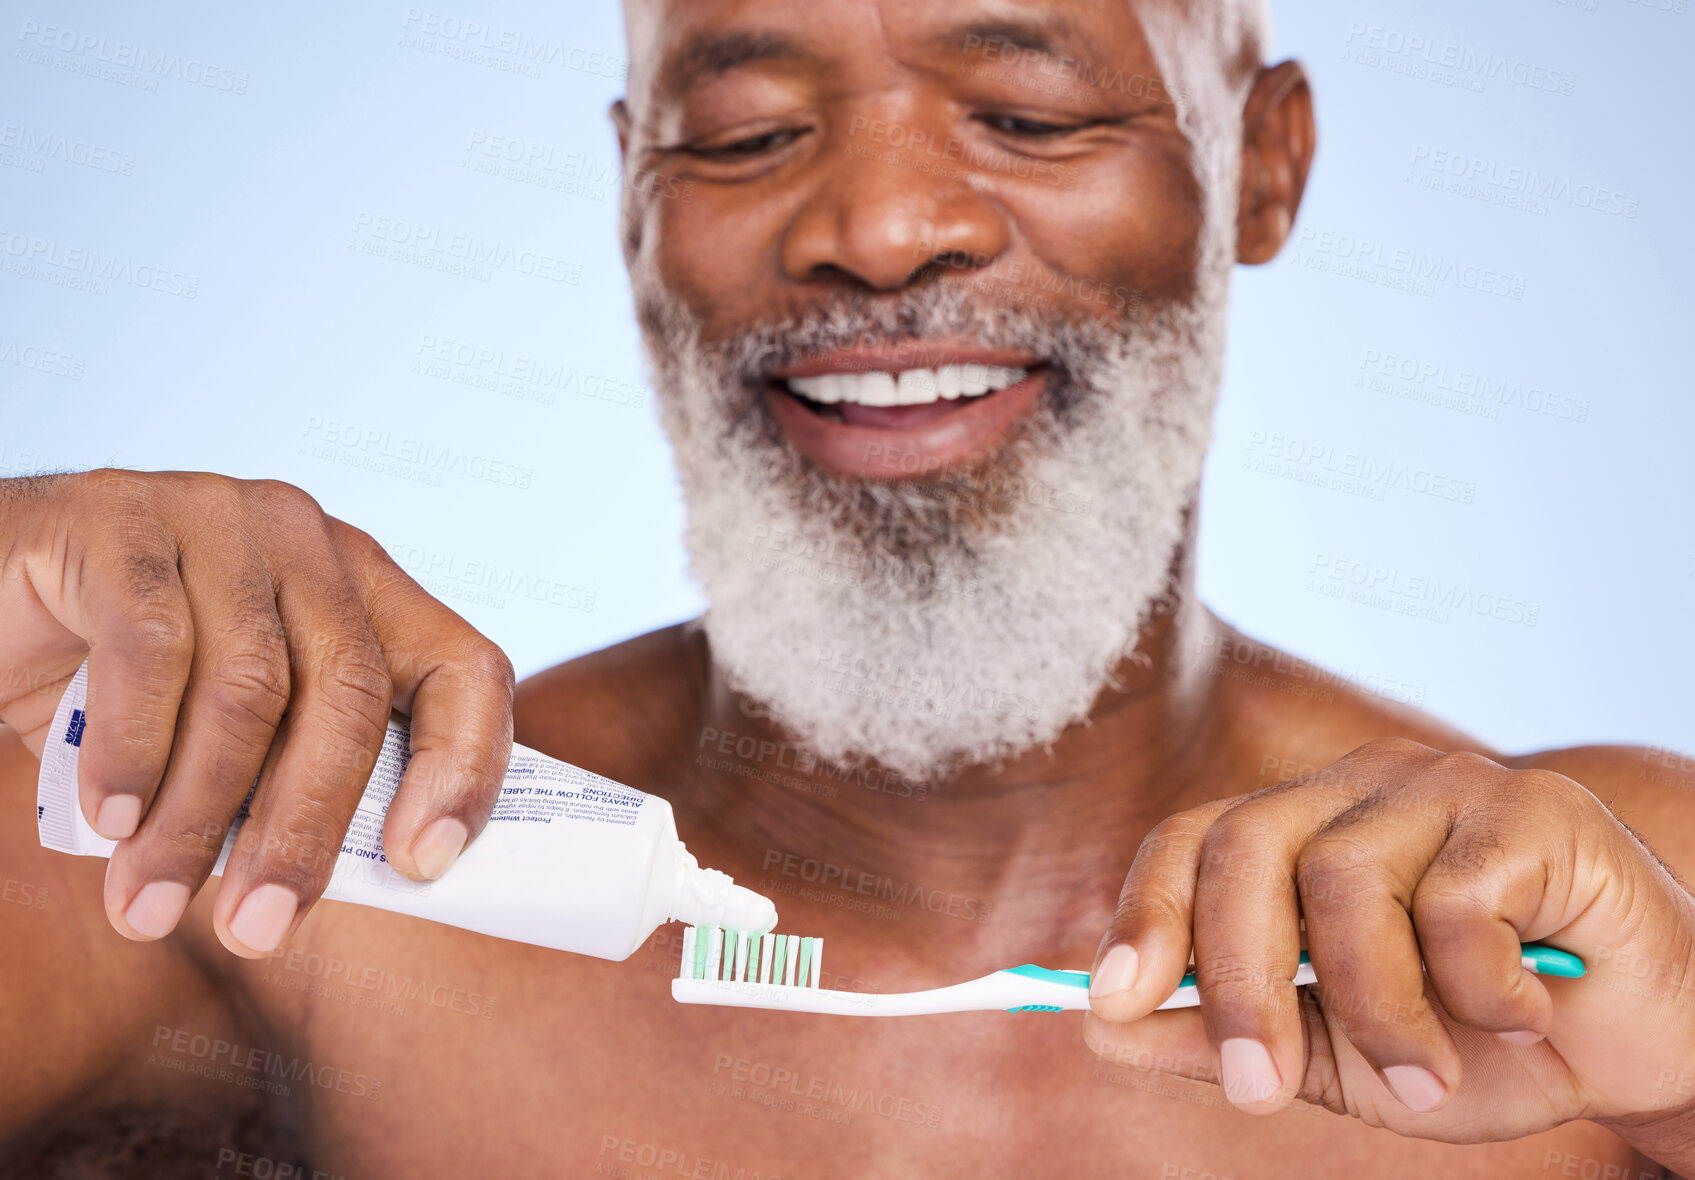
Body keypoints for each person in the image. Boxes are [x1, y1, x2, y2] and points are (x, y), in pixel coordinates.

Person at [3, 1, 1692, 1176]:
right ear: (630, 200)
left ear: (1260, 161)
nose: (881, 228)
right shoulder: (262, 866)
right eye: (742, 136)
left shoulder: (1615, 933)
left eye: (1025, 113)